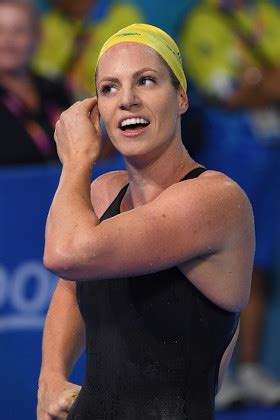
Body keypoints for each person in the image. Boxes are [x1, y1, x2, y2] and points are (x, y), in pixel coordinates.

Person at [37, 23, 255, 419]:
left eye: (147, 81)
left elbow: (67, 253)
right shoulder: (104, 192)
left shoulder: (215, 201)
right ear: (97, 108)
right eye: (109, 88)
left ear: (181, 98)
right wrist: (51, 377)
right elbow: (70, 286)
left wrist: (75, 161)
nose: (128, 100)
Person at [179, 0, 280, 408]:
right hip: (228, 156)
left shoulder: (269, 16)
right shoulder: (202, 22)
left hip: (271, 159)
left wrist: (261, 81)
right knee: (213, 264)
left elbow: (257, 85)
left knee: (260, 262)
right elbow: (229, 92)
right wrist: (266, 83)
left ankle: (251, 368)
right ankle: (208, 374)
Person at [0, 0, 72, 166]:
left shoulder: (55, 89)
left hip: (59, 187)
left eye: (19, 31)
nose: (7, 40)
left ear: (37, 37)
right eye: (0, 30)